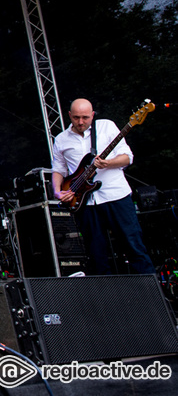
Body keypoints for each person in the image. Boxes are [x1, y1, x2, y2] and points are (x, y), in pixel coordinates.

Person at [51, 98, 154, 274]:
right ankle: (106, 298)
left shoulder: (107, 127)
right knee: (96, 255)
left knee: (133, 245)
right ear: (69, 115)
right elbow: (58, 169)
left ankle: (150, 295)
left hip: (116, 196)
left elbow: (127, 157)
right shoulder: (61, 139)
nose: (81, 122)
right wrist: (57, 192)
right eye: (76, 117)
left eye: (85, 117)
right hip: (85, 204)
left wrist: (108, 163)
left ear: (92, 115)